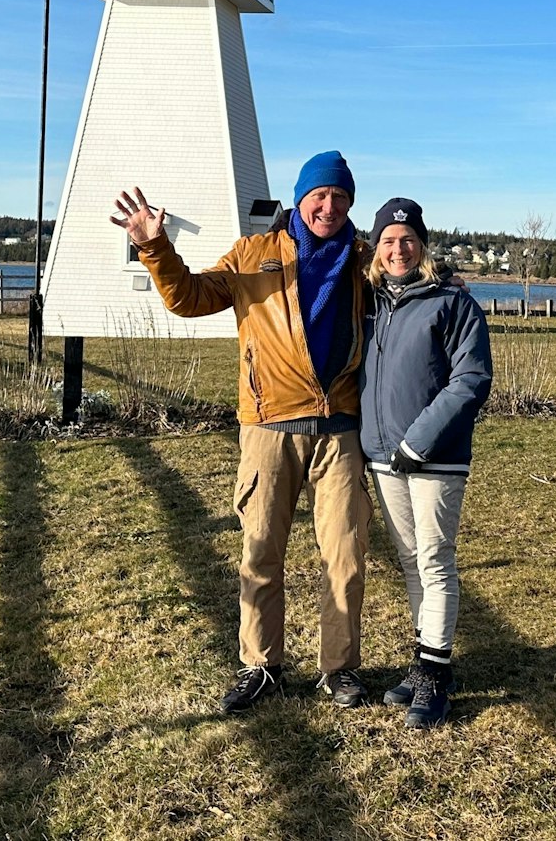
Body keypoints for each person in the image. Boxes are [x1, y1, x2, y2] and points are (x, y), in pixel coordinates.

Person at [111, 151, 375, 713]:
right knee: (260, 552)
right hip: (269, 426)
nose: (329, 206)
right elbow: (189, 298)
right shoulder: (255, 255)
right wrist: (153, 246)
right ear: (301, 197)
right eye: (320, 195)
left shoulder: (362, 260)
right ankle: (262, 665)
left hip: (341, 428)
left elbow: (405, 294)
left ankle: (340, 669)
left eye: (341, 198)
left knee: (346, 555)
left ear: (350, 203)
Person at [358, 198, 492, 729]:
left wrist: (420, 442)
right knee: (411, 561)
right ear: (375, 247)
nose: (398, 248)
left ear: (423, 245)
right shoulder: (368, 302)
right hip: (382, 454)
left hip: (434, 456)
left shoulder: (452, 303)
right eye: (388, 240)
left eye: (408, 239)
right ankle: (425, 661)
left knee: (435, 560)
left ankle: (436, 676)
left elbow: (470, 380)